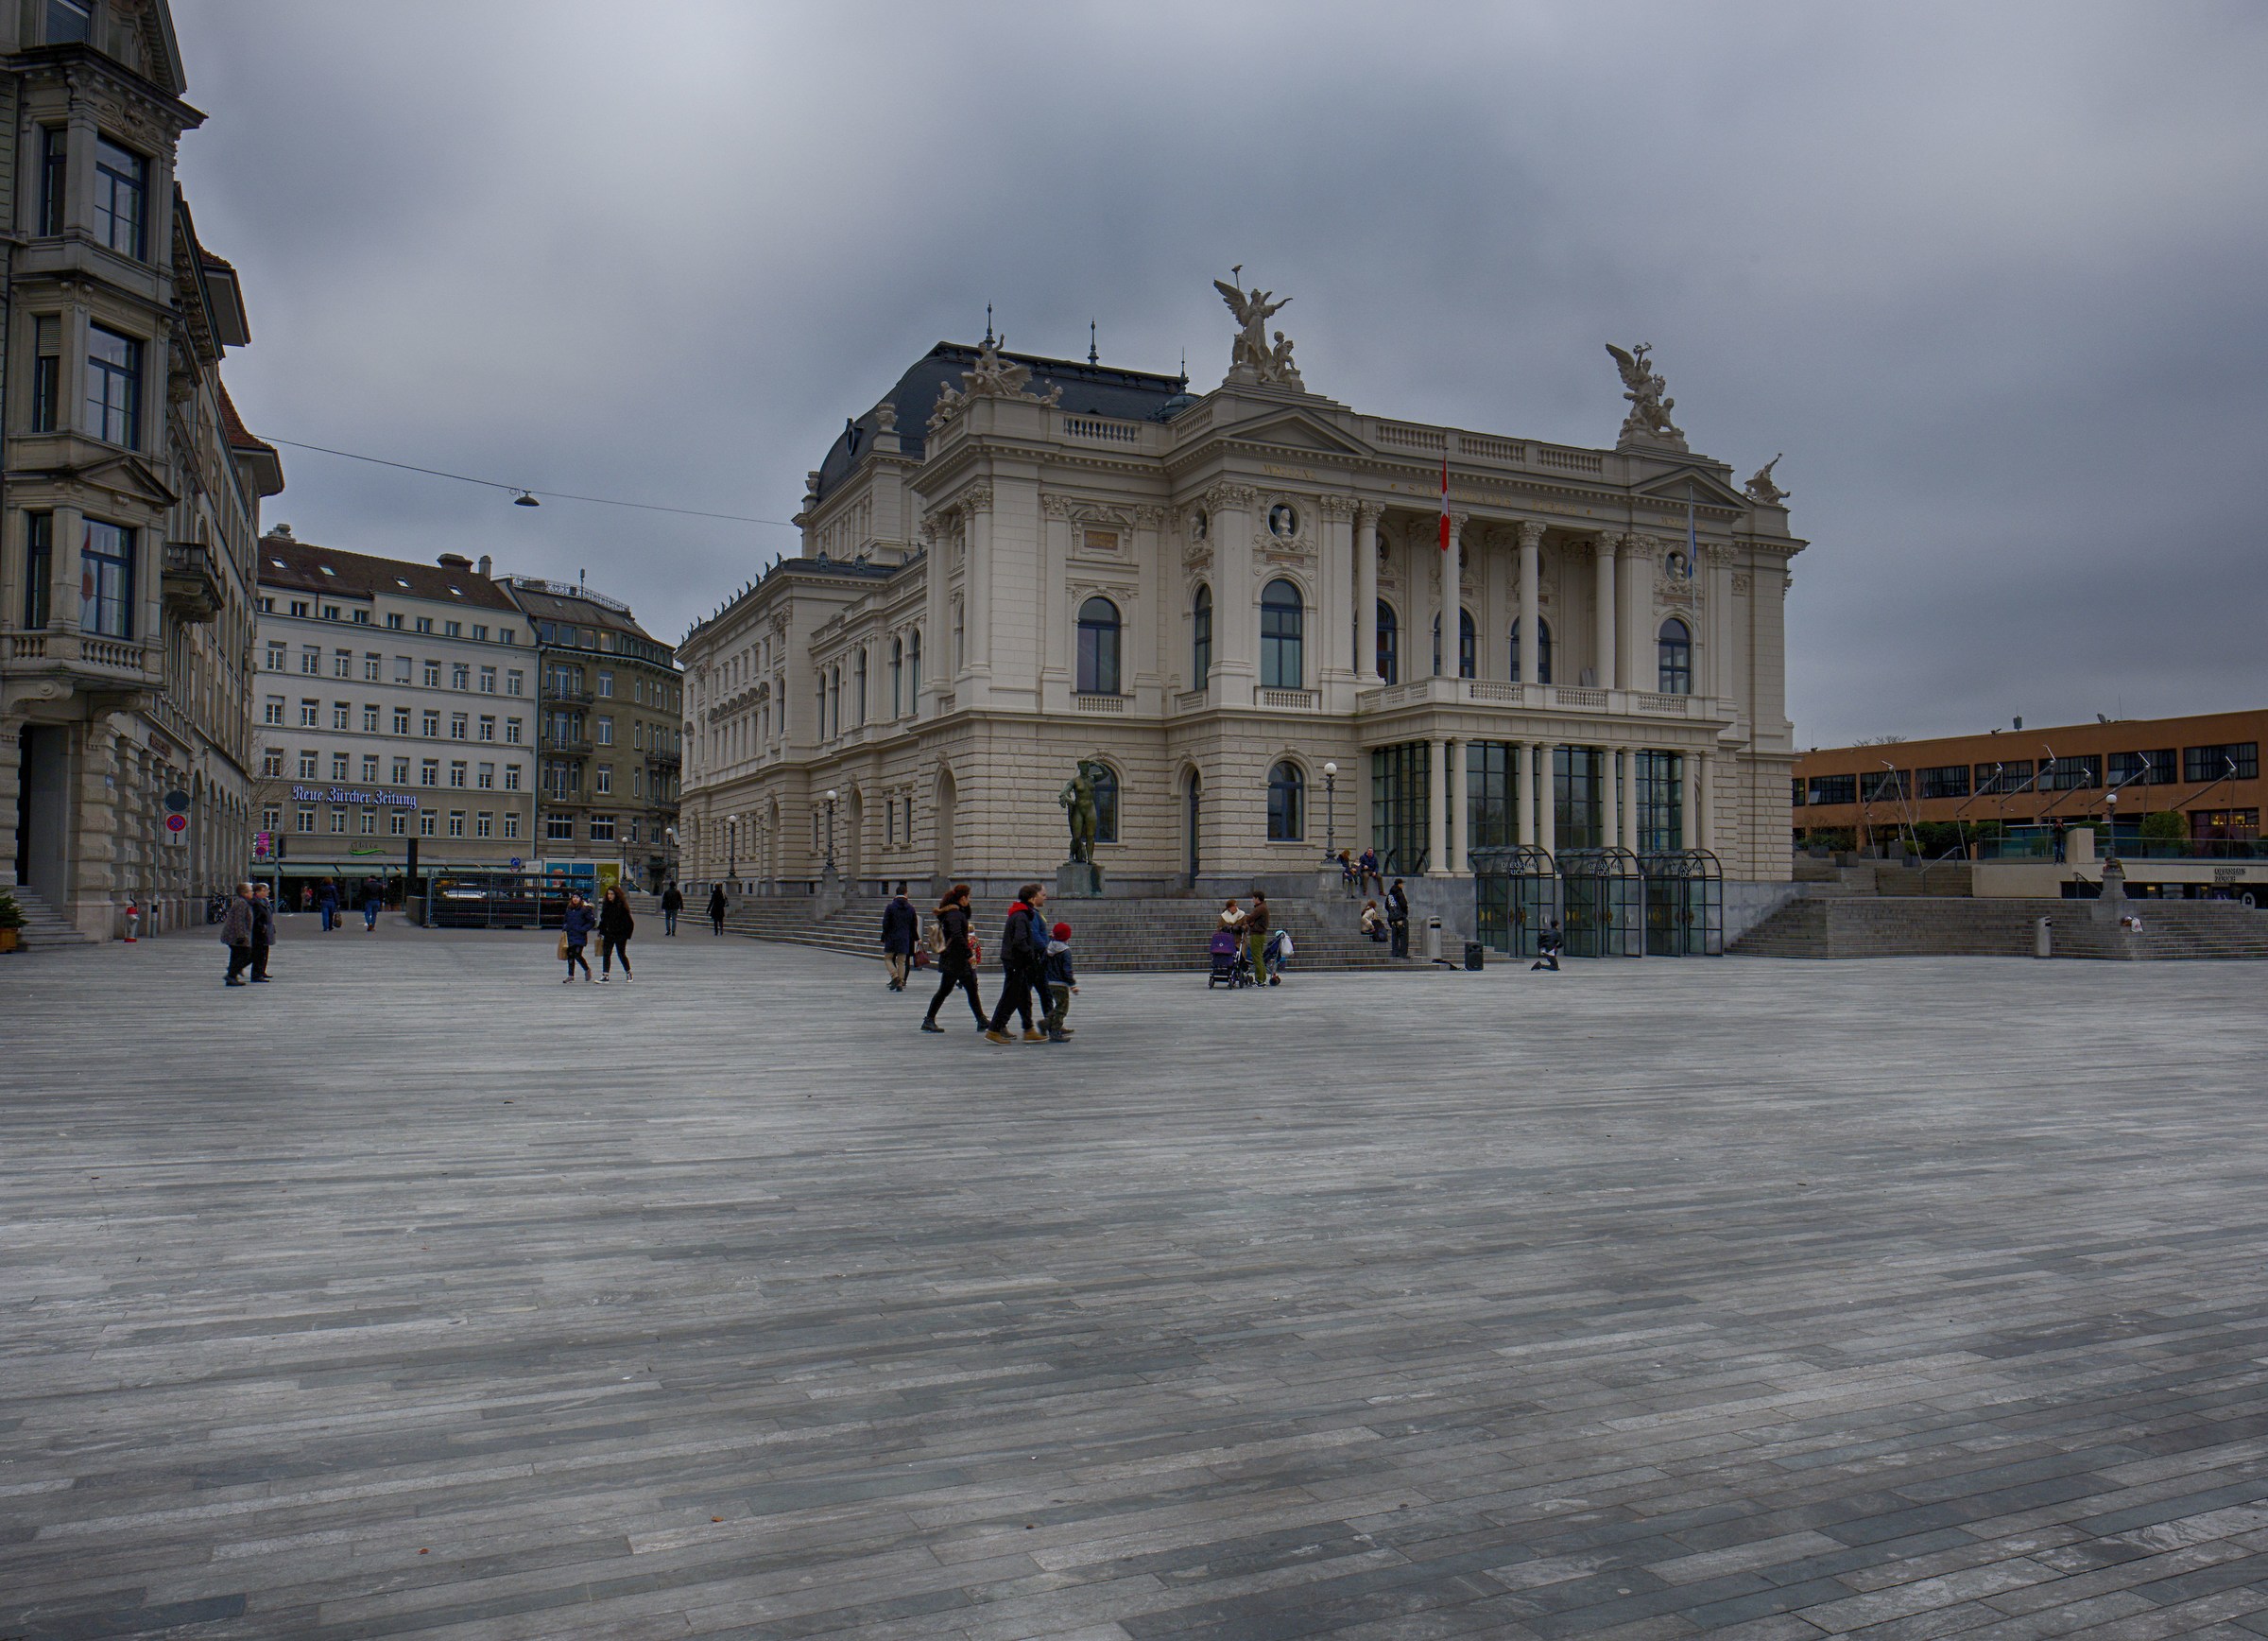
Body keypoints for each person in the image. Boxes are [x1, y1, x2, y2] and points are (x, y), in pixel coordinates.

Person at [986, 883, 1050, 1043]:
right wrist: (1030, 954)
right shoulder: (1021, 916)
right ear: (1032, 898)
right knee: (1010, 996)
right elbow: (1019, 941)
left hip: (1017, 962)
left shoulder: (1020, 914)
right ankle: (994, 1030)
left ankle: (1028, 1029)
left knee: (1023, 996)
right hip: (1016, 962)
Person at [921, 882, 988, 1032]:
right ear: (963, 898)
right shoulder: (955, 915)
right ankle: (929, 1019)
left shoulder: (954, 913)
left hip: (955, 959)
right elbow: (957, 935)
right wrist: (969, 953)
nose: (969, 900)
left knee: (969, 988)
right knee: (947, 990)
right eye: (968, 897)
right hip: (956, 959)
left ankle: (981, 1019)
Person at [1040, 921, 1077, 1042]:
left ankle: (1046, 1023)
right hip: (1061, 984)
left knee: (1058, 1005)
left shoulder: (1049, 948)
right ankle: (1055, 1031)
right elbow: (1067, 970)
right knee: (1062, 1008)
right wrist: (1072, 984)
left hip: (1050, 982)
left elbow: (1042, 963)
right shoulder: (1065, 952)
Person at [881, 882, 919, 991]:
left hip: (892, 937)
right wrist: (916, 938)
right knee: (901, 961)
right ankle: (900, 983)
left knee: (888, 958)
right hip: (904, 938)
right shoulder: (911, 908)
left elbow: (885, 923)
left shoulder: (890, 907)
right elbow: (914, 925)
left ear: (896, 894)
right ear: (906, 894)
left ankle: (895, 976)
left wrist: (885, 935)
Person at [220, 882, 257, 986]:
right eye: (251, 891)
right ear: (244, 893)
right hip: (235, 935)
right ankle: (232, 973)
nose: (253, 893)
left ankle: (232, 975)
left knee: (236, 955)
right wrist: (241, 936)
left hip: (236, 935)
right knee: (246, 954)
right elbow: (239, 920)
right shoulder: (241, 903)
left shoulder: (244, 902)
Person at [596, 885, 635, 982]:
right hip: (609, 933)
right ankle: (605, 975)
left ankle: (628, 972)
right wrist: (601, 931)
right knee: (606, 953)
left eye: (612, 894)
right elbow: (604, 920)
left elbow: (629, 923)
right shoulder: (606, 906)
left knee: (621, 953)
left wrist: (626, 935)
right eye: (608, 894)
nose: (610, 896)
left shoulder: (621, 906)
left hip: (620, 934)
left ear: (616, 895)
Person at [561, 891, 595, 982]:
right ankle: (570, 975)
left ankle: (586, 969)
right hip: (570, 934)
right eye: (573, 897)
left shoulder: (585, 909)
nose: (575, 899)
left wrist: (583, 929)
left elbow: (591, 922)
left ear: (580, 899)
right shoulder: (569, 909)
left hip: (580, 935)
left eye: (577, 897)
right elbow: (565, 920)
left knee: (577, 954)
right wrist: (565, 927)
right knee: (570, 954)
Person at [1244, 890, 1272, 983]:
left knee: (1256, 957)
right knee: (1259, 957)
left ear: (1257, 898)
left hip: (1257, 934)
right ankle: (1262, 978)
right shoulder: (1263, 907)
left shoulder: (1260, 908)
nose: (1252, 900)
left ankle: (1259, 980)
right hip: (1260, 934)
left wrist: (1245, 918)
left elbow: (1249, 918)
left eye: (1253, 898)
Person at [249, 883, 276, 981]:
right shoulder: (255, 902)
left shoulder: (265, 901)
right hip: (259, 931)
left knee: (264, 952)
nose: (267, 892)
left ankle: (261, 971)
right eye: (264, 890)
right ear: (257, 892)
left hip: (266, 929)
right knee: (258, 953)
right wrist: (261, 927)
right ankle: (256, 974)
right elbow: (256, 917)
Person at [1386, 878, 1411, 959]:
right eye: (1402, 884)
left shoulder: (1390, 895)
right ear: (1399, 884)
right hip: (1400, 917)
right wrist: (1404, 914)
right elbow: (1404, 904)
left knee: (1395, 937)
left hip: (1392, 919)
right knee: (1403, 936)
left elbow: (1387, 906)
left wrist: (1392, 914)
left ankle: (1395, 952)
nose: (1402, 885)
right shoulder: (1399, 893)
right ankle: (1403, 953)